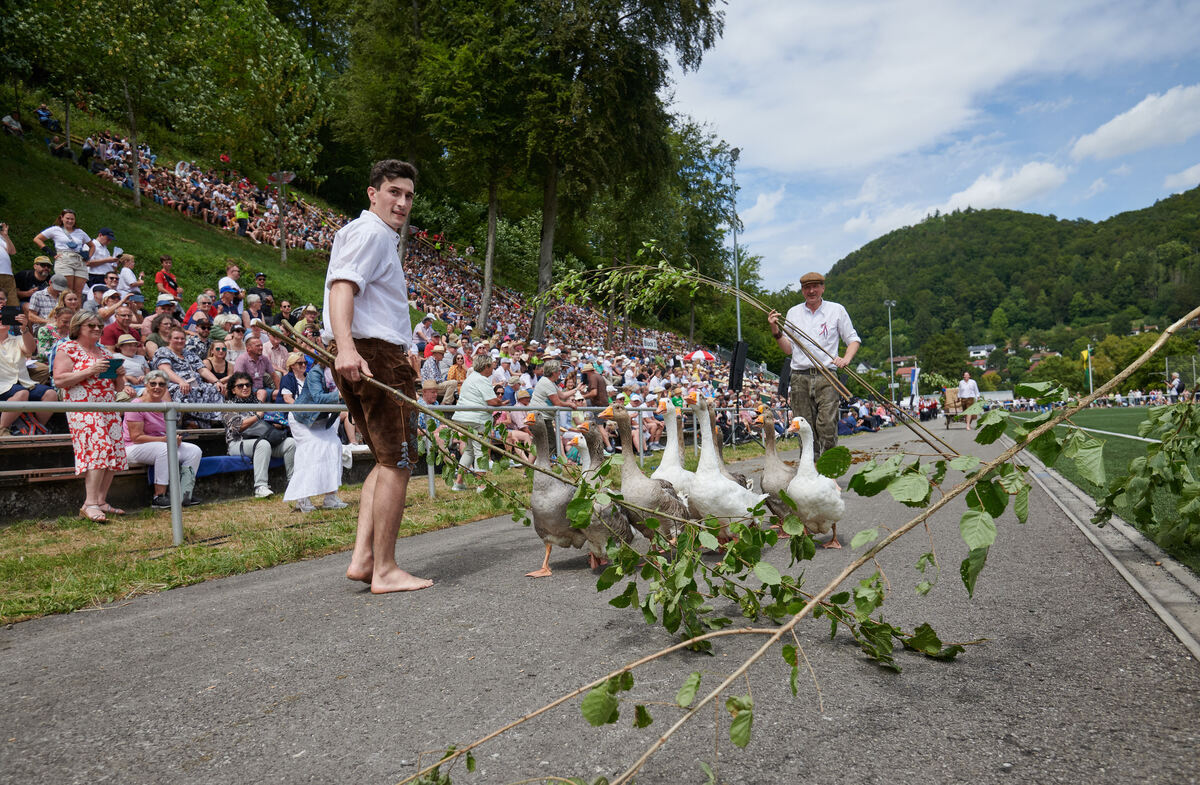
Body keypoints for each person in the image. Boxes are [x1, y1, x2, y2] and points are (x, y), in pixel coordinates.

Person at [323, 158, 431, 593]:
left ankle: (365, 558)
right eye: (394, 192)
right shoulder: (370, 233)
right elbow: (342, 287)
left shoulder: (364, 232)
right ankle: (384, 569)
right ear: (373, 193)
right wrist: (347, 347)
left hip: (364, 352)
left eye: (408, 195)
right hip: (376, 354)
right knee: (400, 462)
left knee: (387, 461)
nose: (402, 203)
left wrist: (346, 348)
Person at [767, 270, 860, 459]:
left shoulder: (836, 310)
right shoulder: (793, 313)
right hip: (799, 376)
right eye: (807, 288)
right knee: (803, 425)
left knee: (827, 424)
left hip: (826, 374)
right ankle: (810, 468)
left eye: (815, 287)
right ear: (802, 291)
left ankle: (828, 470)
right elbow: (788, 349)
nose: (811, 291)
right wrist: (775, 329)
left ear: (823, 288)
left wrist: (846, 359)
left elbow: (853, 339)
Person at [53, 311, 127, 521]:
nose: (96, 329)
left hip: (107, 406)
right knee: (98, 448)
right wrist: (91, 370)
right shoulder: (67, 348)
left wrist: (120, 376)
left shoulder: (104, 351)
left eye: (98, 326)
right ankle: (90, 503)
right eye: (91, 326)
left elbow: (118, 387)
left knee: (114, 451)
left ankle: (101, 501)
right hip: (83, 407)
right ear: (78, 327)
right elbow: (59, 380)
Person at [124, 370, 203, 508]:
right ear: (146, 385)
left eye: (161, 384)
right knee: (165, 449)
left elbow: (166, 433)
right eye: (153, 384)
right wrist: (165, 440)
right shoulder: (136, 405)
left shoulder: (165, 406)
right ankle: (159, 496)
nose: (157, 387)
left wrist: (174, 439)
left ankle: (184, 494)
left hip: (159, 444)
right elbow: (136, 437)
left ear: (166, 387)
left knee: (194, 450)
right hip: (132, 447)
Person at [284, 358, 347, 511]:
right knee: (311, 451)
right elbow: (318, 397)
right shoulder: (315, 373)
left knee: (334, 446)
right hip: (303, 417)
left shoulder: (343, 374)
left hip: (322, 419)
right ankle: (302, 499)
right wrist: (340, 394)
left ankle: (330, 497)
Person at [221, 371, 296, 498]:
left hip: (264, 440)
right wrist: (257, 416)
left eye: (247, 385)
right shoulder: (228, 406)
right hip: (238, 443)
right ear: (233, 390)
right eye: (240, 386)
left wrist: (276, 423)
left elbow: (266, 422)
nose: (245, 388)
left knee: (290, 443)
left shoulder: (257, 404)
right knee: (263, 444)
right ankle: (260, 486)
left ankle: (293, 483)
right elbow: (236, 427)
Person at [0, 292, 58, 434]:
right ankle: (2, 429)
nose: (2, 321)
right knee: (22, 394)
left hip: (22, 383)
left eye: (5, 318)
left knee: (51, 394)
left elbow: (30, 350)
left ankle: (36, 428)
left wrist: (24, 328)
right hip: (4, 385)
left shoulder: (17, 339)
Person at [153, 326, 224, 425]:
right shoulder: (163, 351)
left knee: (215, 389)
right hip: (174, 383)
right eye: (176, 338)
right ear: (169, 339)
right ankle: (184, 421)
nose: (180, 341)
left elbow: (202, 369)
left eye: (182, 338)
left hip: (195, 383)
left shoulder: (188, 353)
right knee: (184, 390)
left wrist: (216, 381)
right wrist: (181, 381)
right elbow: (165, 369)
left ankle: (212, 422)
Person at [451, 353, 502, 491]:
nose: (493, 368)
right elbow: (492, 401)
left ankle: (459, 482)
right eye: (491, 366)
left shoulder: (470, 377)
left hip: (462, 418)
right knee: (482, 451)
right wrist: (501, 403)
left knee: (469, 450)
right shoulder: (482, 379)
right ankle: (481, 485)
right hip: (476, 419)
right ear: (486, 366)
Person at [33, 209, 94, 296]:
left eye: (72, 219)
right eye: (67, 218)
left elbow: (92, 246)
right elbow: (37, 239)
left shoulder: (80, 232)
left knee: (78, 292)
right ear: (62, 218)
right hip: (64, 258)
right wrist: (51, 253)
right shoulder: (55, 229)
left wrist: (88, 257)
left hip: (79, 260)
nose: (70, 221)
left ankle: (76, 309)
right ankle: (65, 309)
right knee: (67, 291)